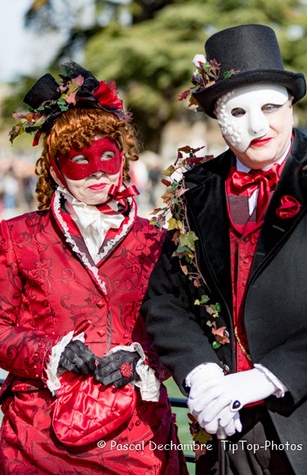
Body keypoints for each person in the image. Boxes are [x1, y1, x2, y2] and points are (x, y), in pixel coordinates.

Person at [141, 24, 307, 475]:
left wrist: (264, 378)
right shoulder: (194, 191)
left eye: (271, 107)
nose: (258, 125)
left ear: (291, 105)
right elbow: (165, 300)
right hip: (227, 431)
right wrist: (201, 374)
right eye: (238, 112)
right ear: (218, 118)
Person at [0, 62, 188, 474]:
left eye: (108, 154)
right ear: (55, 169)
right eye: (81, 160)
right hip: (39, 445)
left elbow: (181, 330)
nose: (100, 169)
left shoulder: (158, 240)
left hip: (140, 443)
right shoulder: (16, 237)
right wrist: (51, 352)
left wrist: (141, 364)